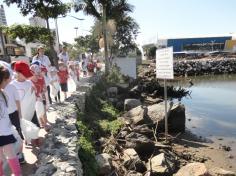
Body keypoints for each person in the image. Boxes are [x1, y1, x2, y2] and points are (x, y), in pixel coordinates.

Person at [0, 66, 22, 176]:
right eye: (6, 79)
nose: (9, 80)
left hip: (5, 129)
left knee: (5, 155)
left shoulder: (3, 93)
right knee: (10, 154)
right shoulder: (2, 94)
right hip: (4, 131)